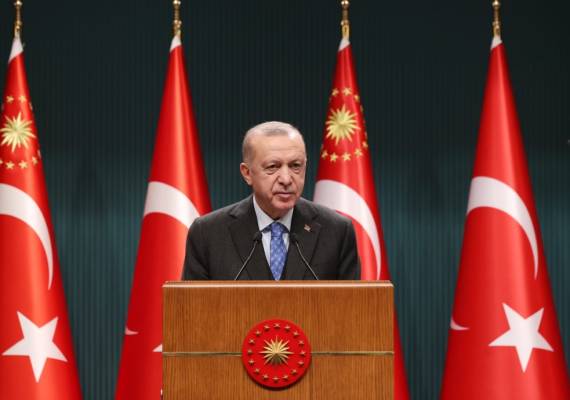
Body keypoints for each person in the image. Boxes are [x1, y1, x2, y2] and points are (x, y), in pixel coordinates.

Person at [182, 121, 360, 280]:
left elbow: (351, 304)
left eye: (295, 166)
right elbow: (193, 305)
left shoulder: (337, 231)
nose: (286, 179)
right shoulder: (208, 234)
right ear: (247, 173)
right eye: (273, 167)